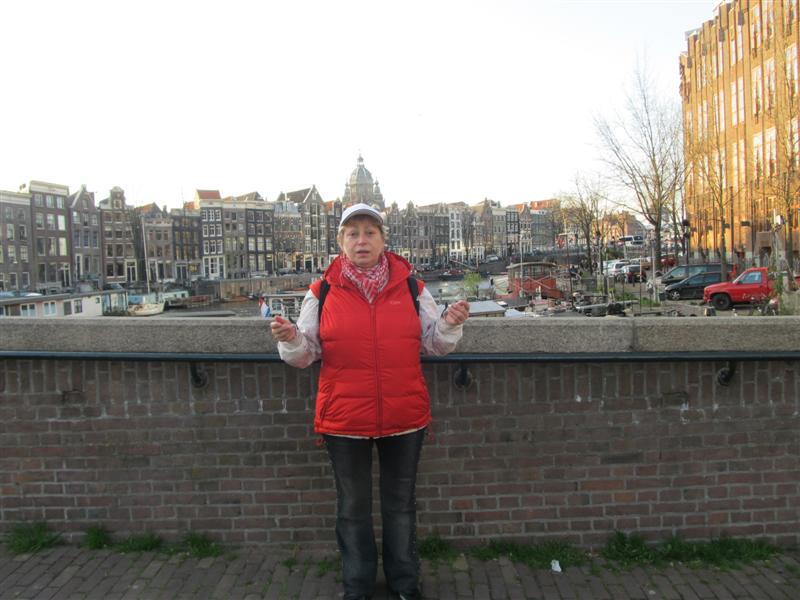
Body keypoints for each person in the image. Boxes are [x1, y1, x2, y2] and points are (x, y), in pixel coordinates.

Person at [270, 203, 469, 600]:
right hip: (345, 420)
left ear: (382, 240)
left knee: (401, 506)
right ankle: (357, 586)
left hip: (404, 416)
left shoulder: (412, 288)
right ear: (341, 242)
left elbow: (433, 343)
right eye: (353, 233)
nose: (361, 240)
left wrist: (449, 324)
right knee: (352, 508)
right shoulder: (322, 292)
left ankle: (404, 584)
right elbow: (306, 353)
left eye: (369, 232)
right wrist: (291, 338)